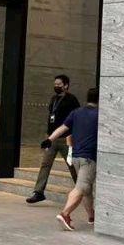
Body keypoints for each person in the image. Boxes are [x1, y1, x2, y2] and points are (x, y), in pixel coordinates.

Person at [41, 87, 98, 231]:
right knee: (82, 187)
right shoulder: (99, 114)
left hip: (76, 157)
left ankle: (92, 216)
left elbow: (63, 128)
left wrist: (49, 140)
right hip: (89, 157)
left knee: (87, 190)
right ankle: (65, 214)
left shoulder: (76, 112)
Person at [26, 74, 79, 203]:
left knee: (72, 165)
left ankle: (81, 189)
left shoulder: (72, 100)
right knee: (45, 164)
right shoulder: (53, 99)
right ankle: (38, 192)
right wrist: (48, 136)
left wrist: (73, 136)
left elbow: (76, 119)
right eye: (55, 84)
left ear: (66, 85)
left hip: (66, 138)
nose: (56, 86)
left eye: (59, 85)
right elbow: (51, 117)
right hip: (52, 138)